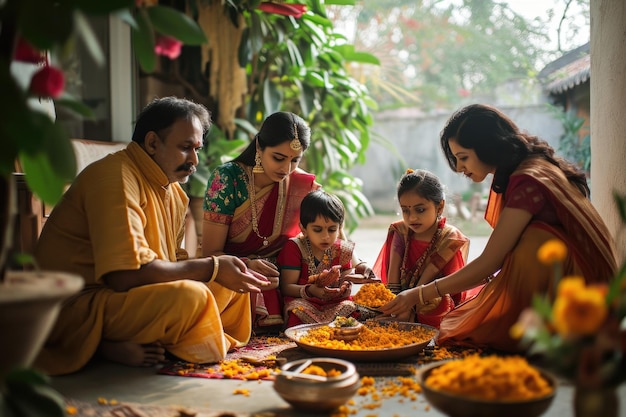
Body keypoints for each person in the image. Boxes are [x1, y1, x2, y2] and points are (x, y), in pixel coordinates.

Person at [34, 97, 272, 376]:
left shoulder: (171, 191)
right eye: (185, 148)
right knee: (191, 298)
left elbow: (173, 263)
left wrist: (234, 267)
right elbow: (123, 276)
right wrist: (212, 266)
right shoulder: (115, 178)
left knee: (232, 287)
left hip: (129, 297)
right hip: (79, 307)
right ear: (152, 143)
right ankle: (103, 344)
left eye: (197, 149)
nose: (194, 160)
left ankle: (155, 340)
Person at [380, 104, 617, 352]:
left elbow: (492, 260)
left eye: (463, 158)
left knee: (536, 242)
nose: (460, 168)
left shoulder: (529, 179)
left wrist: (418, 294)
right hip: (580, 281)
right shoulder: (528, 170)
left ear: (487, 146)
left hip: (583, 290)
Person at [202, 112, 320, 331]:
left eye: (295, 160)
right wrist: (247, 264)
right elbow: (211, 254)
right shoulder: (229, 179)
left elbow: (328, 236)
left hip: (283, 279)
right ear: (259, 146)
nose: (286, 169)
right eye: (278, 157)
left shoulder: (300, 185)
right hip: (236, 276)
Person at [372, 169, 477, 328]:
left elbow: (453, 290)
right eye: (406, 210)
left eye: (420, 210)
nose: (412, 217)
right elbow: (393, 281)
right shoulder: (400, 231)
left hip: (433, 302)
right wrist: (397, 308)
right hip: (401, 299)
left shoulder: (449, 239)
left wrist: (413, 305)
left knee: (434, 303)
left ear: (440, 206)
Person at [277, 190, 364, 328]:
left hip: (335, 303)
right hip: (305, 302)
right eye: (317, 230)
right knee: (296, 314)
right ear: (303, 228)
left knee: (351, 309)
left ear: (340, 228)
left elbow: (346, 276)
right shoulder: (295, 247)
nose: (325, 236)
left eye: (331, 230)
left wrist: (344, 286)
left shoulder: (342, 249)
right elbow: (287, 287)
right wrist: (311, 290)